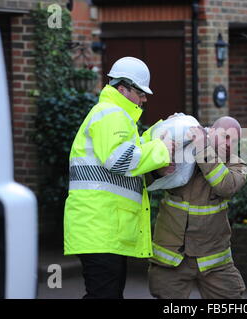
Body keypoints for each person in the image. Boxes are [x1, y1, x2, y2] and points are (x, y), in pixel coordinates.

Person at [63, 56, 174, 299]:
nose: (144, 98)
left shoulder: (112, 115)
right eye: (141, 92)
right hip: (101, 228)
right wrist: (163, 150)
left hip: (101, 229)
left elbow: (123, 165)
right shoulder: (112, 114)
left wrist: (156, 161)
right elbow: (120, 160)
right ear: (123, 89)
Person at [148, 116, 247, 299]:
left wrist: (204, 150)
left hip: (214, 262)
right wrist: (158, 170)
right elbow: (143, 179)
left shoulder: (236, 164)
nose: (229, 144)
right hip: (172, 256)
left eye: (234, 140)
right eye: (225, 136)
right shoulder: (183, 149)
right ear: (211, 131)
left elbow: (226, 185)